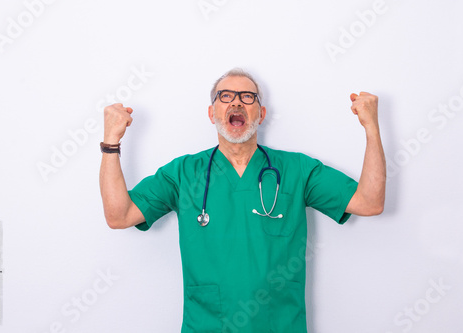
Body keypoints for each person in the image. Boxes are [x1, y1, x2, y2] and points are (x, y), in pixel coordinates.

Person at [99, 68, 386, 333]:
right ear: (212, 113)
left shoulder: (296, 169)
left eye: (247, 96)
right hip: (207, 326)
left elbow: (369, 202)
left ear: (260, 113)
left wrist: (371, 127)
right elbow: (119, 215)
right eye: (225, 96)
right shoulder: (184, 173)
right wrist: (111, 142)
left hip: (279, 325)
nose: (236, 103)